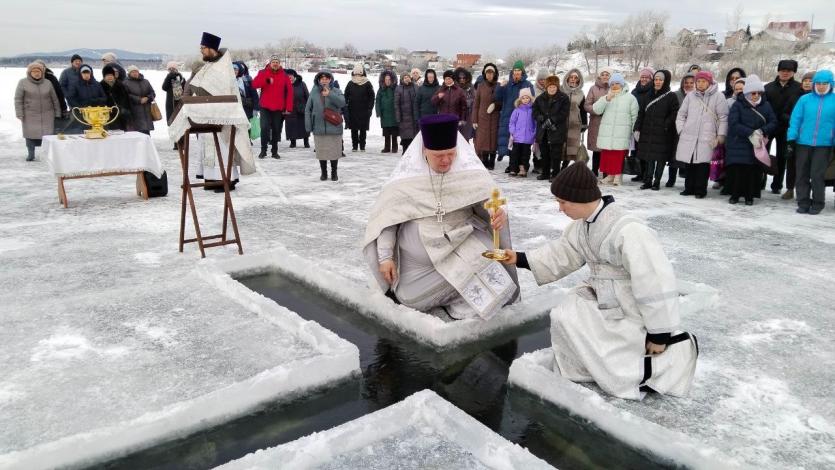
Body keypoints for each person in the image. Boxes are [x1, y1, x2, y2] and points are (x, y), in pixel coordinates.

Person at [500, 162, 699, 400]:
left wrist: (659, 333)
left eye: (563, 202)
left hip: (630, 304)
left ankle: (637, 373)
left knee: (614, 341)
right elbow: (563, 253)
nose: (559, 209)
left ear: (580, 198)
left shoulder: (629, 229)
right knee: (566, 315)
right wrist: (519, 258)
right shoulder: (582, 226)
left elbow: (654, 281)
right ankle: (588, 369)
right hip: (601, 295)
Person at [363, 114, 520, 321]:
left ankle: (461, 301)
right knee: (410, 298)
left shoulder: (468, 173)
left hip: (463, 240)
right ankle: (462, 297)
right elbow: (388, 221)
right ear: (424, 151)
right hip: (422, 265)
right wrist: (385, 258)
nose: (446, 160)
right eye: (439, 156)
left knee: (499, 279)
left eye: (451, 154)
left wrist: (496, 213)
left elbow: (488, 201)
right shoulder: (404, 181)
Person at [181, 32, 256, 191]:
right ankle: (211, 178)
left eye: (203, 48)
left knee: (223, 149)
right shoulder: (210, 64)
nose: (201, 51)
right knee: (209, 148)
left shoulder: (222, 67)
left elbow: (220, 89)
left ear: (211, 48)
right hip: (208, 114)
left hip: (223, 116)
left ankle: (227, 179)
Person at [725, 75, 778, 206]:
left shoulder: (766, 105)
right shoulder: (738, 104)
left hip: (756, 144)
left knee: (751, 172)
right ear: (747, 92)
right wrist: (750, 132)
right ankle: (735, 195)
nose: (755, 95)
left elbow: (773, 122)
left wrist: (762, 131)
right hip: (739, 142)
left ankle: (749, 196)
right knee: (738, 171)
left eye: (758, 93)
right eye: (752, 93)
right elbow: (733, 123)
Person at [788, 70, 835, 215]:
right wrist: (791, 138)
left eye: (824, 84)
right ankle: (803, 202)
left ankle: (818, 202)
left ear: (831, 84)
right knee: (801, 173)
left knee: (817, 175)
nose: (821, 86)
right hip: (803, 142)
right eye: (818, 83)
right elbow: (795, 119)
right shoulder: (805, 100)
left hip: (824, 144)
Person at [675, 71, 729, 199]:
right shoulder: (690, 96)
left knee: (703, 165)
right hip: (689, 135)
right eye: (698, 81)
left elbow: (723, 117)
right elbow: (681, 115)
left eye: (703, 81)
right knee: (690, 163)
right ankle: (689, 188)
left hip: (707, 137)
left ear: (709, 82)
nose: (700, 84)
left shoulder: (718, 96)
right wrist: (681, 130)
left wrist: (721, 135)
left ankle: (700, 190)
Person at [634, 70, 680, 190]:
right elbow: (641, 113)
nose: (658, 82)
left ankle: (657, 181)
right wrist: (637, 128)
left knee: (660, 158)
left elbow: (675, 113)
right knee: (649, 157)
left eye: (660, 80)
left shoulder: (671, 96)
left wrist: (666, 124)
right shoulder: (648, 95)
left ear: (666, 81)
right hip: (648, 131)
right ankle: (648, 180)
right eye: (656, 79)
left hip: (663, 133)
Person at [765, 60, 804, 198]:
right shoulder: (768, 87)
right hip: (769, 126)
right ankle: (761, 181)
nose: (785, 73)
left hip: (786, 127)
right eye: (783, 70)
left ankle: (777, 185)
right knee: (763, 154)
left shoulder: (799, 88)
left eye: (789, 70)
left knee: (783, 156)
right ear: (778, 71)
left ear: (793, 72)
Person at [593, 73, 638, 186]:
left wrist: (633, 131)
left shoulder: (630, 98)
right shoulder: (607, 97)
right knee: (608, 155)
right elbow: (596, 110)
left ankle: (618, 176)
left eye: (617, 83)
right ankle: (610, 176)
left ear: (622, 84)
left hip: (622, 132)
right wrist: (606, 99)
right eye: (612, 84)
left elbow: (634, 116)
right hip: (608, 132)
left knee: (618, 155)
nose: (614, 86)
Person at [15, 62, 61, 161]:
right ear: (29, 72)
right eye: (34, 71)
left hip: (47, 113)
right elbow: (18, 99)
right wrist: (19, 113)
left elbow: (54, 99)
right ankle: (31, 154)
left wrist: (58, 112)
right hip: (30, 114)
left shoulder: (48, 83)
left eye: (39, 71)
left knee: (48, 135)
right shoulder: (23, 82)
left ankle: (48, 154)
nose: (36, 73)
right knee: (30, 135)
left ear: (42, 72)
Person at [305, 71, 346, 181]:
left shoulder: (336, 91)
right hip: (319, 127)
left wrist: (330, 94)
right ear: (318, 80)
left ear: (330, 80)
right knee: (321, 152)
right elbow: (308, 109)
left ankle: (334, 173)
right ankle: (324, 173)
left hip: (334, 127)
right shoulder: (313, 92)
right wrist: (308, 126)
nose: (324, 80)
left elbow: (342, 103)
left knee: (334, 152)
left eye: (326, 78)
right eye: (322, 78)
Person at [252, 55, 294, 159]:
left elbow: (289, 92)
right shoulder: (263, 73)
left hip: (278, 107)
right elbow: (254, 84)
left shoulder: (284, 75)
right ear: (270, 63)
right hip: (265, 106)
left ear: (280, 64)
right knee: (265, 127)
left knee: (276, 129)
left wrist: (288, 107)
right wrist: (265, 81)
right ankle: (263, 150)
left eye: (277, 62)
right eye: (273, 62)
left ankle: (274, 151)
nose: (275, 64)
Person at [495, 61, 535, 164]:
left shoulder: (527, 84)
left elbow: (532, 101)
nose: (517, 72)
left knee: (519, 143)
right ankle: (511, 164)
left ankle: (518, 164)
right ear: (512, 72)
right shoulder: (507, 84)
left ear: (522, 72)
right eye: (515, 70)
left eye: (519, 70)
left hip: (522, 118)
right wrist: (500, 87)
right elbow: (497, 98)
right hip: (508, 115)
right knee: (509, 140)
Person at [532, 75, 569, 181]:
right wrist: (540, 117)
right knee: (544, 153)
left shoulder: (563, 98)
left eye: (554, 87)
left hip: (557, 130)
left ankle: (555, 174)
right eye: (550, 87)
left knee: (556, 154)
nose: (552, 89)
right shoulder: (540, 98)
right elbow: (534, 111)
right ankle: (545, 173)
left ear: (557, 87)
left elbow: (564, 113)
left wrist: (553, 119)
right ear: (546, 87)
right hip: (543, 130)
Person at [472, 63, 500, 169]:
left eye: (491, 73)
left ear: (494, 74)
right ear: (485, 74)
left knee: (493, 140)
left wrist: (495, 105)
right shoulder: (480, 86)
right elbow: (476, 104)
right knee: (483, 140)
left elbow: (502, 101)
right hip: (482, 117)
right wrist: (474, 120)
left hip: (495, 117)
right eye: (487, 73)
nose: (489, 75)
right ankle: (485, 160)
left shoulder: (498, 86)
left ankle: (492, 161)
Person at [630, 67, 656, 182]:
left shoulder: (653, 91)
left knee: (646, 150)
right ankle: (639, 173)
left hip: (648, 124)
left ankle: (647, 174)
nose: (644, 79)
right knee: (636, 150)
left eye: (646, 77)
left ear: (651, 79)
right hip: (636, 123)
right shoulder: (635, 91)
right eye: (642, 77)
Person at [585, 68, 612, 176]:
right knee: (597, 148)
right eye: (603, 74)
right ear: (599, 76)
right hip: (596, 122)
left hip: (610, 122)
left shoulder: (614, 88)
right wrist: (596, 110)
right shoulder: (593, 88)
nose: (605, 76)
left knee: (607, 148)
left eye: (607, 74)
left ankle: (606, 171)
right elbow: (587, 105)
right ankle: (594, 170)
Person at [344, 65, 375, 152]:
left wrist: (370, 108)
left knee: (363, 129)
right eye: (356, 73)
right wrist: (345, 105)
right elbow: (345, 95)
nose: (357, 75)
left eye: (359, 74)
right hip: (352, 109)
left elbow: (372, 97)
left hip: (364, 110)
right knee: (353, 129)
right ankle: (354, 146)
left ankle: (362, 146)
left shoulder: (367, 83)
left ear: (362, 74)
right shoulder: (350, 83)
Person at [508, 88, 536, 177]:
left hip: (528, 138)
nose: (525, 100)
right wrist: (513, 132)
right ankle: (513, 169)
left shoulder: (533, 110)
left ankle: (523, 169)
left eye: (527, 98)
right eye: (523, 98)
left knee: (525, 154)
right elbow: (512, 122)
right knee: (515, 154)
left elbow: (536, 123)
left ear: (530, 99)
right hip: (517, 137)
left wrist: (533, 133)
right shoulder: (517, 110)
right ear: (520, 99)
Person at [563, 69, 588, 165]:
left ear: (578, 80)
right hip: (561, 123)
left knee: (572, 148)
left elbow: (583, 110)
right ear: (567, 78)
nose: (573, 79)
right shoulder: (561, 90)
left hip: (575, 123)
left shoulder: (581, 94)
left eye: (575, 78)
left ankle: (564, 168)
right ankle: (555, 168)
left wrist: (584, 124)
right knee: (560, 146)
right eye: (571, 77)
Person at [123, 66, 156, 135]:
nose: (135, 73)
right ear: (129, 73)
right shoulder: (125, 83)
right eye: (133, 72)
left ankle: (147, 145)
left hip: (146, 110)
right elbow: (126, 95)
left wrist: (147, 98)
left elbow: (152, 93)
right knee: (137, 131)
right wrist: (138, 100)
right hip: (134, 110)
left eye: (136, 71)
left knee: (146, 132)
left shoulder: (145, 81)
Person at [100, 64, 132, 131]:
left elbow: (126, 98)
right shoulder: (100, 86)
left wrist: (125, 109)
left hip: (121, 115)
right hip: (107, 115)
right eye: (107, 75)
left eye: (111, 75)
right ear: (104, 76)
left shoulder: (120, 85)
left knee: (121, 132)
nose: (110, 77)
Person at [284, 69, 310, 149]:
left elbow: (307, 96)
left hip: (301, 108)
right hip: (290, 109)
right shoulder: (284, 85)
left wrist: (307, 107)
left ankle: (306, 142)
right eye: (287, 76)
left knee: (303, 126)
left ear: (294, 75)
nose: (289, 77)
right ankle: (293, 142)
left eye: (290, 75)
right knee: (291, 126)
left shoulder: (302, 84)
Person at [394, 72, 418, 154]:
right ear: (402, 79)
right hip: (403, 116)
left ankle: (412, 152)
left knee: (413, 135)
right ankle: (404, 151)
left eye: (408, 77)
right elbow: (396, 104)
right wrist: (398, 116)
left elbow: (418, 100)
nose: (406, 78)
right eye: (405, 77)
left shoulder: (415, 87)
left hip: (413, 115)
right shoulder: (399, 88)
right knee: (404, 136)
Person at [376, 70, 399, 153]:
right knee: (386, 132)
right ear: (383, 80)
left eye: (389, 80)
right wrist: (378, 111)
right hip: (385, 114)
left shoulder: (396, 89)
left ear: (392, 80)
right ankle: (387, 147)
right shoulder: (381, 90)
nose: (388, 81)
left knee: (394, 132)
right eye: (386, 80)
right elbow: (377, 101)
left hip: (394, 114)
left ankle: (394, 147)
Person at [456, 67, 476, 142]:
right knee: (456, 139)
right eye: (460, 78)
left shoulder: (470, 87)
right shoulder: (455, 87)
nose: (462, 79)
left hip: (467, 116)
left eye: (464, 77)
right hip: (456, 115)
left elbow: (475, 100)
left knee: (465, 139)